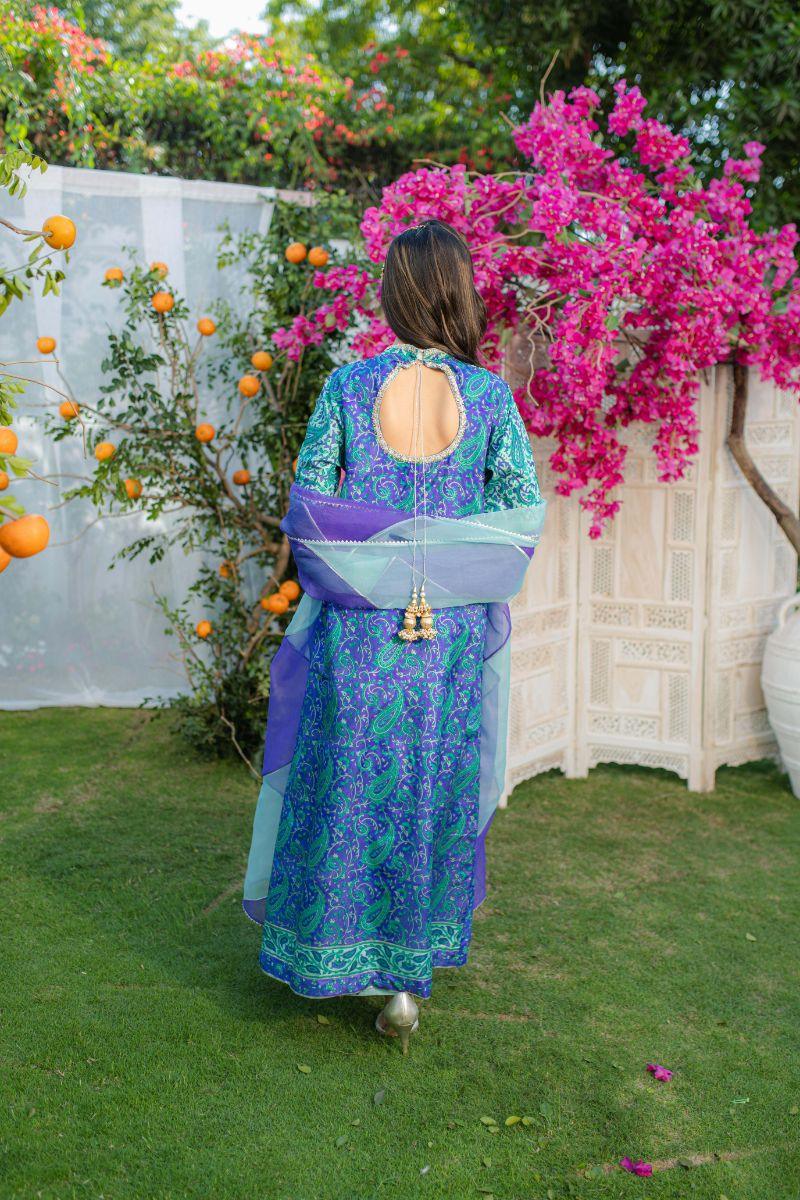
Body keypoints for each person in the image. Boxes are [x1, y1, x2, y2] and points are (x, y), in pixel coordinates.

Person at [242, 218, 546, 1054]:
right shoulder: (490, 399)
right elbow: (520, 518)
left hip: (359, 625)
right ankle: (407, 983)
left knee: (344, 784)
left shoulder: (348, 387)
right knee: (427, 788)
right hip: (448, 633)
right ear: (459, 293)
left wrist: (379, 552)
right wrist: (442, 551)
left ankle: (340, 955)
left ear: (393, 293)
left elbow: (309, 509)